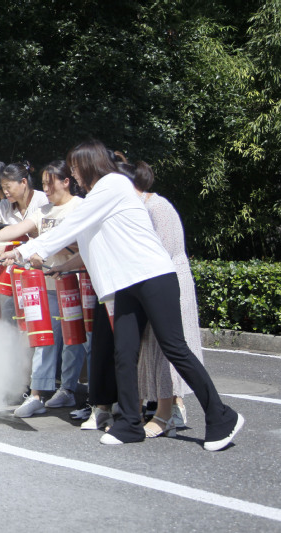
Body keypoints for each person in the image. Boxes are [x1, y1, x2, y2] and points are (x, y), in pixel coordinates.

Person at [9, 139, 243, 450]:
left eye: (76, 167)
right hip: (125, 285)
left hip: (154, 277)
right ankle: (130, 424)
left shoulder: (114, 184)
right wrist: (35, 257)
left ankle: (222, 416)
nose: (73, 174)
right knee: (124, 353)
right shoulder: (98, 198)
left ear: (90, 165)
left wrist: (25, 250)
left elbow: (72, 224)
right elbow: (85, 242)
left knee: (174, 347)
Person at [0, 161, 87, 417]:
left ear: (66, 181)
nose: (45, 189)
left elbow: (80, 245)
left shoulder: (80, 207)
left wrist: (44, 248)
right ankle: (37, 394)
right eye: (44, 184)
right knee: (43, 338)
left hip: (74, 284)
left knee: (74, 341)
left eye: (50, 183)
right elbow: (18, 229)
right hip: (46, 285)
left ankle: (68, 389)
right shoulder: (43, 210)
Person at [133, 161, 203, 435]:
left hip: (170, 281)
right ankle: (165, 407)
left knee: (168, 348)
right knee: (152, 347)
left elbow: (166, 251)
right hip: (151, 282)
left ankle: (171, 410)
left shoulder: (157, 206)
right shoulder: (139, 208)